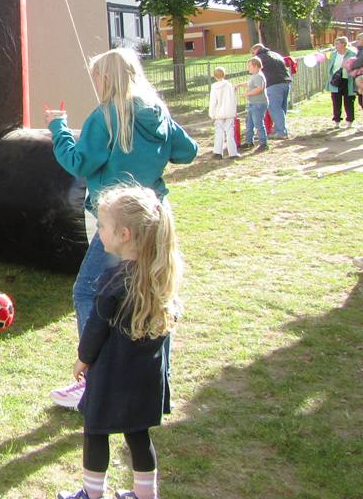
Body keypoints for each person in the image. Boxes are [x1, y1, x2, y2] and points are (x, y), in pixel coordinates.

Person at [44, 47, 197, 409]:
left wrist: (58, 127)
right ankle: (158, 379)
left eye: (96, 76)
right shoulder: (157, 112)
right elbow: (187, 151)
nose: (95, 83)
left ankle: (94, 381)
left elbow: (77, 162)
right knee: (155, 293)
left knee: (87, 291)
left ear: (107, 78)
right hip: (155, 215)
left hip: (120, 222)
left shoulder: (105, 117)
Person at [56, 186, 183, 499]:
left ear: (124, 234)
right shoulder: (158, 278)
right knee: (138, 435)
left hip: (112, 375)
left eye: (102, 225)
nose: (98, 231)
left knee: (95, 431)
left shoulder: (113, 282)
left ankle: (91, 493)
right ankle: (145, 495)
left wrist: (83, 359)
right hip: (145, 378)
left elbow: (95, 329)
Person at [251, 43, 292, 138]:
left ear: (256, 50)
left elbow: (256, 72)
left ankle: (281, 131)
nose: (253, 55)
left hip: (273, 84)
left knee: (274, 108)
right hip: (285, 82)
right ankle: (280, 128)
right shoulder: (275, 54)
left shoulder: (259, 58)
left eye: (253, 53)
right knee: (282, 108)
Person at [207, 66, 239, 159]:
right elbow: (233, 99)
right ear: (224, 75)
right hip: (229, 112)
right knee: (230, 132)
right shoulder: (229, 85)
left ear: (214, 76)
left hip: (219, 113)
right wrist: (234, 111)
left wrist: (212, 113)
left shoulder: (214, 87)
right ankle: (233, 153)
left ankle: (218, 152)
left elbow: (213, 101)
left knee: (219, 132)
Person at [327, 36, 356, 128]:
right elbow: (331, 67)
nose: (335, 45)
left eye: (337, 43)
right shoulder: (333, 54)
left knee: (349, 101)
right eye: (335, 43)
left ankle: (349, 121)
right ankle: (337, 121)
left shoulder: (352, 53)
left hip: (348, 80)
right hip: (336, 80)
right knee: (336, 101)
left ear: (343, 44)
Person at [242, 57, 269, 151]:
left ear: (256, 66)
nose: (248, 68)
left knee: (258, 124)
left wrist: (247, 94)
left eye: (249, 66)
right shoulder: (254, 76)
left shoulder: (258, 76)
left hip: (258, 103)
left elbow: (259, 89)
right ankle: (249, 141)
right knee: (249, 124)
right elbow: (250, 84)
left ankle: (263, 143)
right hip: (253, 103)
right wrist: (239, 85)